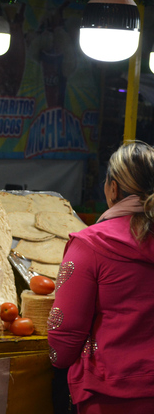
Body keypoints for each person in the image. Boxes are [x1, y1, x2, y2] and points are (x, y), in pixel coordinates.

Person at [47, 140, 154, 413]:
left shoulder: (90, 245)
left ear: (113, 188)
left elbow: (65, 336)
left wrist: (58, 363)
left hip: (109, 396)